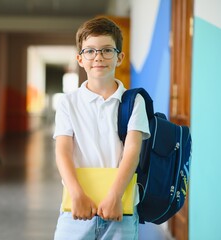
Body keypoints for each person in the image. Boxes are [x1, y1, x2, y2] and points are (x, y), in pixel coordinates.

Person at [53, 16, 150, 240]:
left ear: (119, 57)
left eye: (107, 50)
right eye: (90, 51)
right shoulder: (68, 103)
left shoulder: (133, 101)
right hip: (75, 206)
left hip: (120, 207)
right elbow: (63, 152)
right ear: (80, 58)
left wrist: (115, 196)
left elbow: (132, 152)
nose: (98, 57)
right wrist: (76, 194)